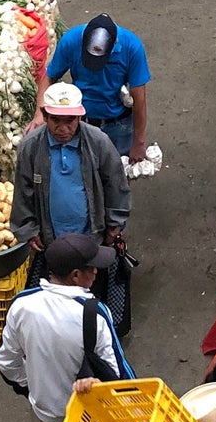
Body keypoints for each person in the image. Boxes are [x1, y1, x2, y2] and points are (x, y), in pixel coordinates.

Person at [0, 234, 130, 422]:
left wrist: (34, 387)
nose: (96, 271)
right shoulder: (95, 313)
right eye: (91, 267)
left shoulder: (21, 305)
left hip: (44, 416)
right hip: (87, 418)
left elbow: (6, 362)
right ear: (75, 275)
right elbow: (118, 373)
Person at [10, 83, 132, 254]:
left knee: (90, 277)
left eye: (70, 120)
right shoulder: (31, 147)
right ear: (45, 116)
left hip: (92, 237)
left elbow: (116, 184)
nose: (63, 128)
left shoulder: (98, 142)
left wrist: (114, 225)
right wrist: (28, 230)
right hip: (51, 240)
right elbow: (23, 191)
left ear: (79, 118)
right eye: (56, 120)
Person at [46, 14, 152, 160]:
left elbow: (139, 99)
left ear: (114, 44)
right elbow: (49, 76)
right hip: (81, 123)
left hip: (118, 125)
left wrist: (139, 143)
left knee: (117, 176)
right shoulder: (71, 40)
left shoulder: (132, 47)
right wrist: (40, 115)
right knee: (83, 174)